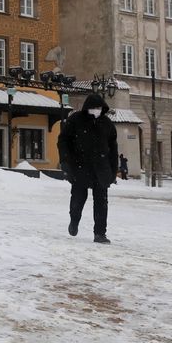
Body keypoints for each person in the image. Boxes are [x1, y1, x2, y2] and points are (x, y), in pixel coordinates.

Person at [58, 92, 119, 244]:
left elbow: (113, 149)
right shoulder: (75, 120)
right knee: (78, 198)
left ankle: (100, 233)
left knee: (101, 202)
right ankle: (74, 220)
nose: (96, 110)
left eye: (99, 107)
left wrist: (113, 170)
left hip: (101, 169)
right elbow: (63, 140)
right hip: (80, 166)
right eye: (93, 107)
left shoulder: (107, 124)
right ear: (87, 108)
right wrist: (66, 161)